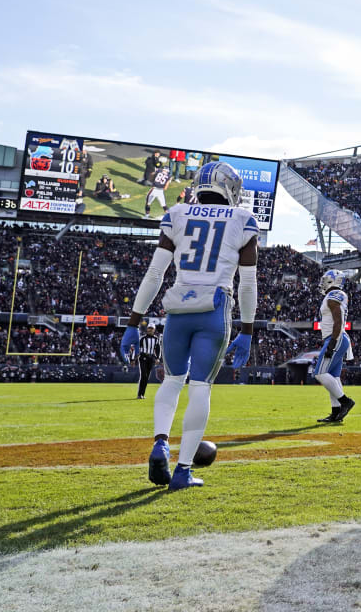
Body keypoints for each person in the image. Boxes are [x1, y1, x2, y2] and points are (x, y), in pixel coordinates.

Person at [119, 161, 258, 490]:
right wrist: (248, 330)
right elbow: (247, 284)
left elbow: (155, 274)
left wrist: (134, 322)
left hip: (178, 305)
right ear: (230, 188)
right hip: (214, 306)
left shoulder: (177, 214)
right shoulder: (242, 219)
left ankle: (160, 443)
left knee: (172, 382)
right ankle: (182, 470)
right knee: (200, 387)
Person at [313, 269, 356, 423]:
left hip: (336, 337)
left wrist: (332, 343)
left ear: (334, 280)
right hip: (335, 337)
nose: (323, 282)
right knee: (334, 377)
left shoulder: (334, 295)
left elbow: (338, 321)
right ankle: (336, 413)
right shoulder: (331, 296)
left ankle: (345, 402)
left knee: (319, 373)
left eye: (326, 279)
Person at [133, 324, 160, 399]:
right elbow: (137, 349)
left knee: (147, 377)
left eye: (152, 328)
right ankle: (139, 394)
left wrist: (158, 358)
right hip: (143, 357)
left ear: (154, 330)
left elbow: (158, 349)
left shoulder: (156, 339)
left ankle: (142, 394)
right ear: (147, 329)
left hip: (151, 359)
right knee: (144, 375)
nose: (150, 330)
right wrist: (133, 358)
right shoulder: (142, 338)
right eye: (149, 328)